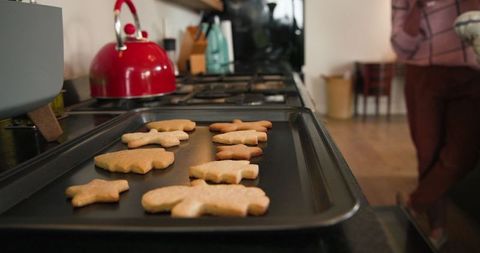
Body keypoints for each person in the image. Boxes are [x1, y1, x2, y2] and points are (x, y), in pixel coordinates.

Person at [391, 0, 480, 247]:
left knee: (462, 156)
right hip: (423, 75)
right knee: (427, 155)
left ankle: (413, 204)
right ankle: (437, 230)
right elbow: (400, 47)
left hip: (471, 73)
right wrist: (418, 6)